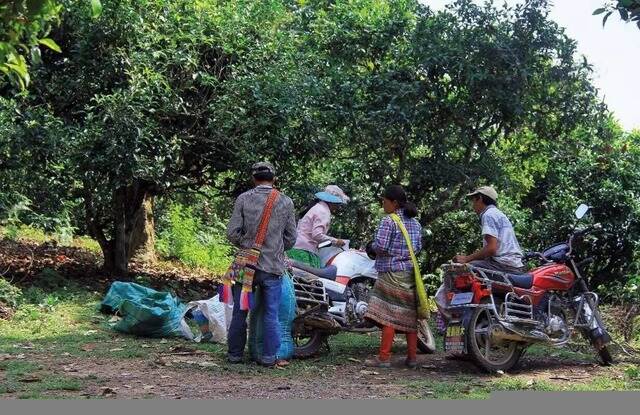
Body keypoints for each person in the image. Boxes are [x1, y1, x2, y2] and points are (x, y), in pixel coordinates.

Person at [225, 161, 297, 367]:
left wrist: (247, 243)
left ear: (253, 178)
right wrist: (274, 247)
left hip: (245, 263)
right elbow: (291, 238)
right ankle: (268, 358)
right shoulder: (286, 202)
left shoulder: (244, 199)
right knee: (271, 313)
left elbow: (231, 232)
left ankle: (235, 355)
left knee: (240, 311)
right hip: (272, 266)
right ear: (274, 179)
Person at [364, 185, 422, 369]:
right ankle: (412, 358)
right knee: (409, 316)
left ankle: (384, 358)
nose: (383, 205)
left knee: (387, 315)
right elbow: (418, 248)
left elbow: (380, 246)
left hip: (391, 272)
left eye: (384, 201)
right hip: (409, 273)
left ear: (394, 203)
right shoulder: (415, 223)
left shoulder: (390, 221)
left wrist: (370, 247)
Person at [453, 186, 525, 274]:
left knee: (459, 271)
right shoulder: (497, 213)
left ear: (480, 199)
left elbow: (491, 248)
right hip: (513, 264)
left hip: (503, 265)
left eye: (473, 200)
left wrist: (466, 259)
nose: (473, 205)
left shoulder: (488, 215)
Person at [286, 185, 350, 268]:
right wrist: (336, 241)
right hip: (304, 251)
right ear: (333, 202)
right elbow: (317, 235)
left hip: (297, 247)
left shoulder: (317, 207)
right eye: (338, 204)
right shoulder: (323, 212)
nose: (338, 207)